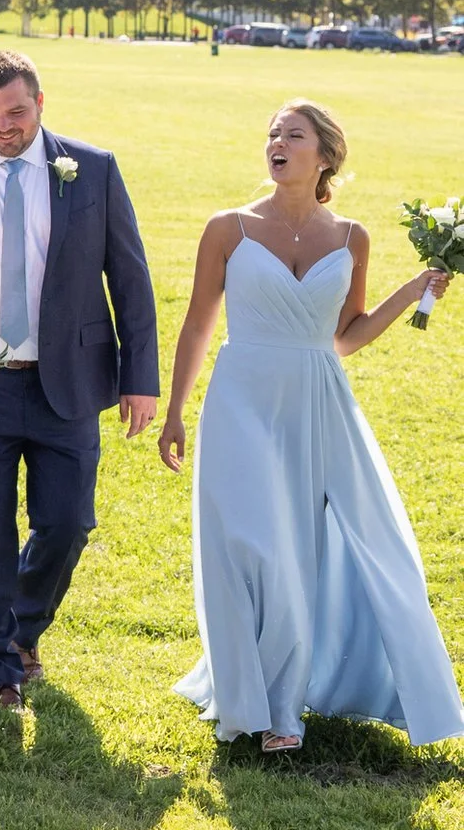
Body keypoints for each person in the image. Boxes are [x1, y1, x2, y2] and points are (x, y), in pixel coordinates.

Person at [160, 101, 463, 751]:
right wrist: (177, 411)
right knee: (255, 546)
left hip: (318, 402)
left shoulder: (352, 236)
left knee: (302, 552)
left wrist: (413, 291)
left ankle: (284, 708)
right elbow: (196, 325)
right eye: (271, 132)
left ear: (324, 155)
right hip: (241, 398)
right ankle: (259, 702)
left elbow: (345, 337)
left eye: (291, 135)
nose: (276, 142)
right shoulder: (228, 228)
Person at [0, 49, 158, 707]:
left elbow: (131, 276)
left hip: (70, 380)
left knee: (67, 522)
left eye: (16, 111)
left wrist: (141, 377)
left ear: (40, 103)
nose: (3, 126)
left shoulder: (93, 169)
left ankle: (25, 628)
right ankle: (2, 663)